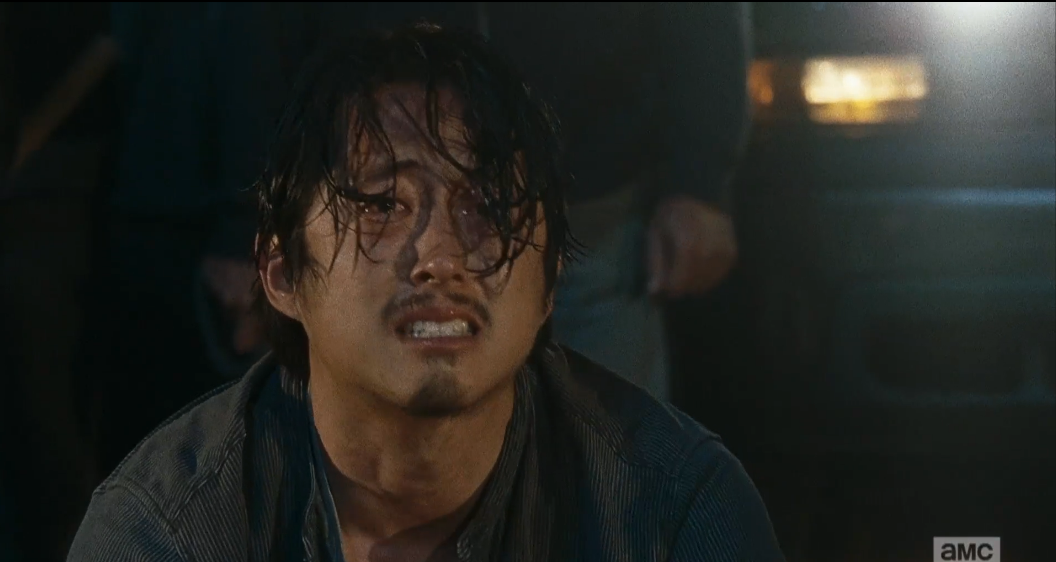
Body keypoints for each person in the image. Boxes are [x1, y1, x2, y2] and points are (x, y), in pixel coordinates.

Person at [68, 24, 782, 561]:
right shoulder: (169, 532)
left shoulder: (674, 515)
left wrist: (700, 174)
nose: (440, 258)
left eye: (489, 207)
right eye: (381, 205)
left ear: (549, 281)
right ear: (281, 272)